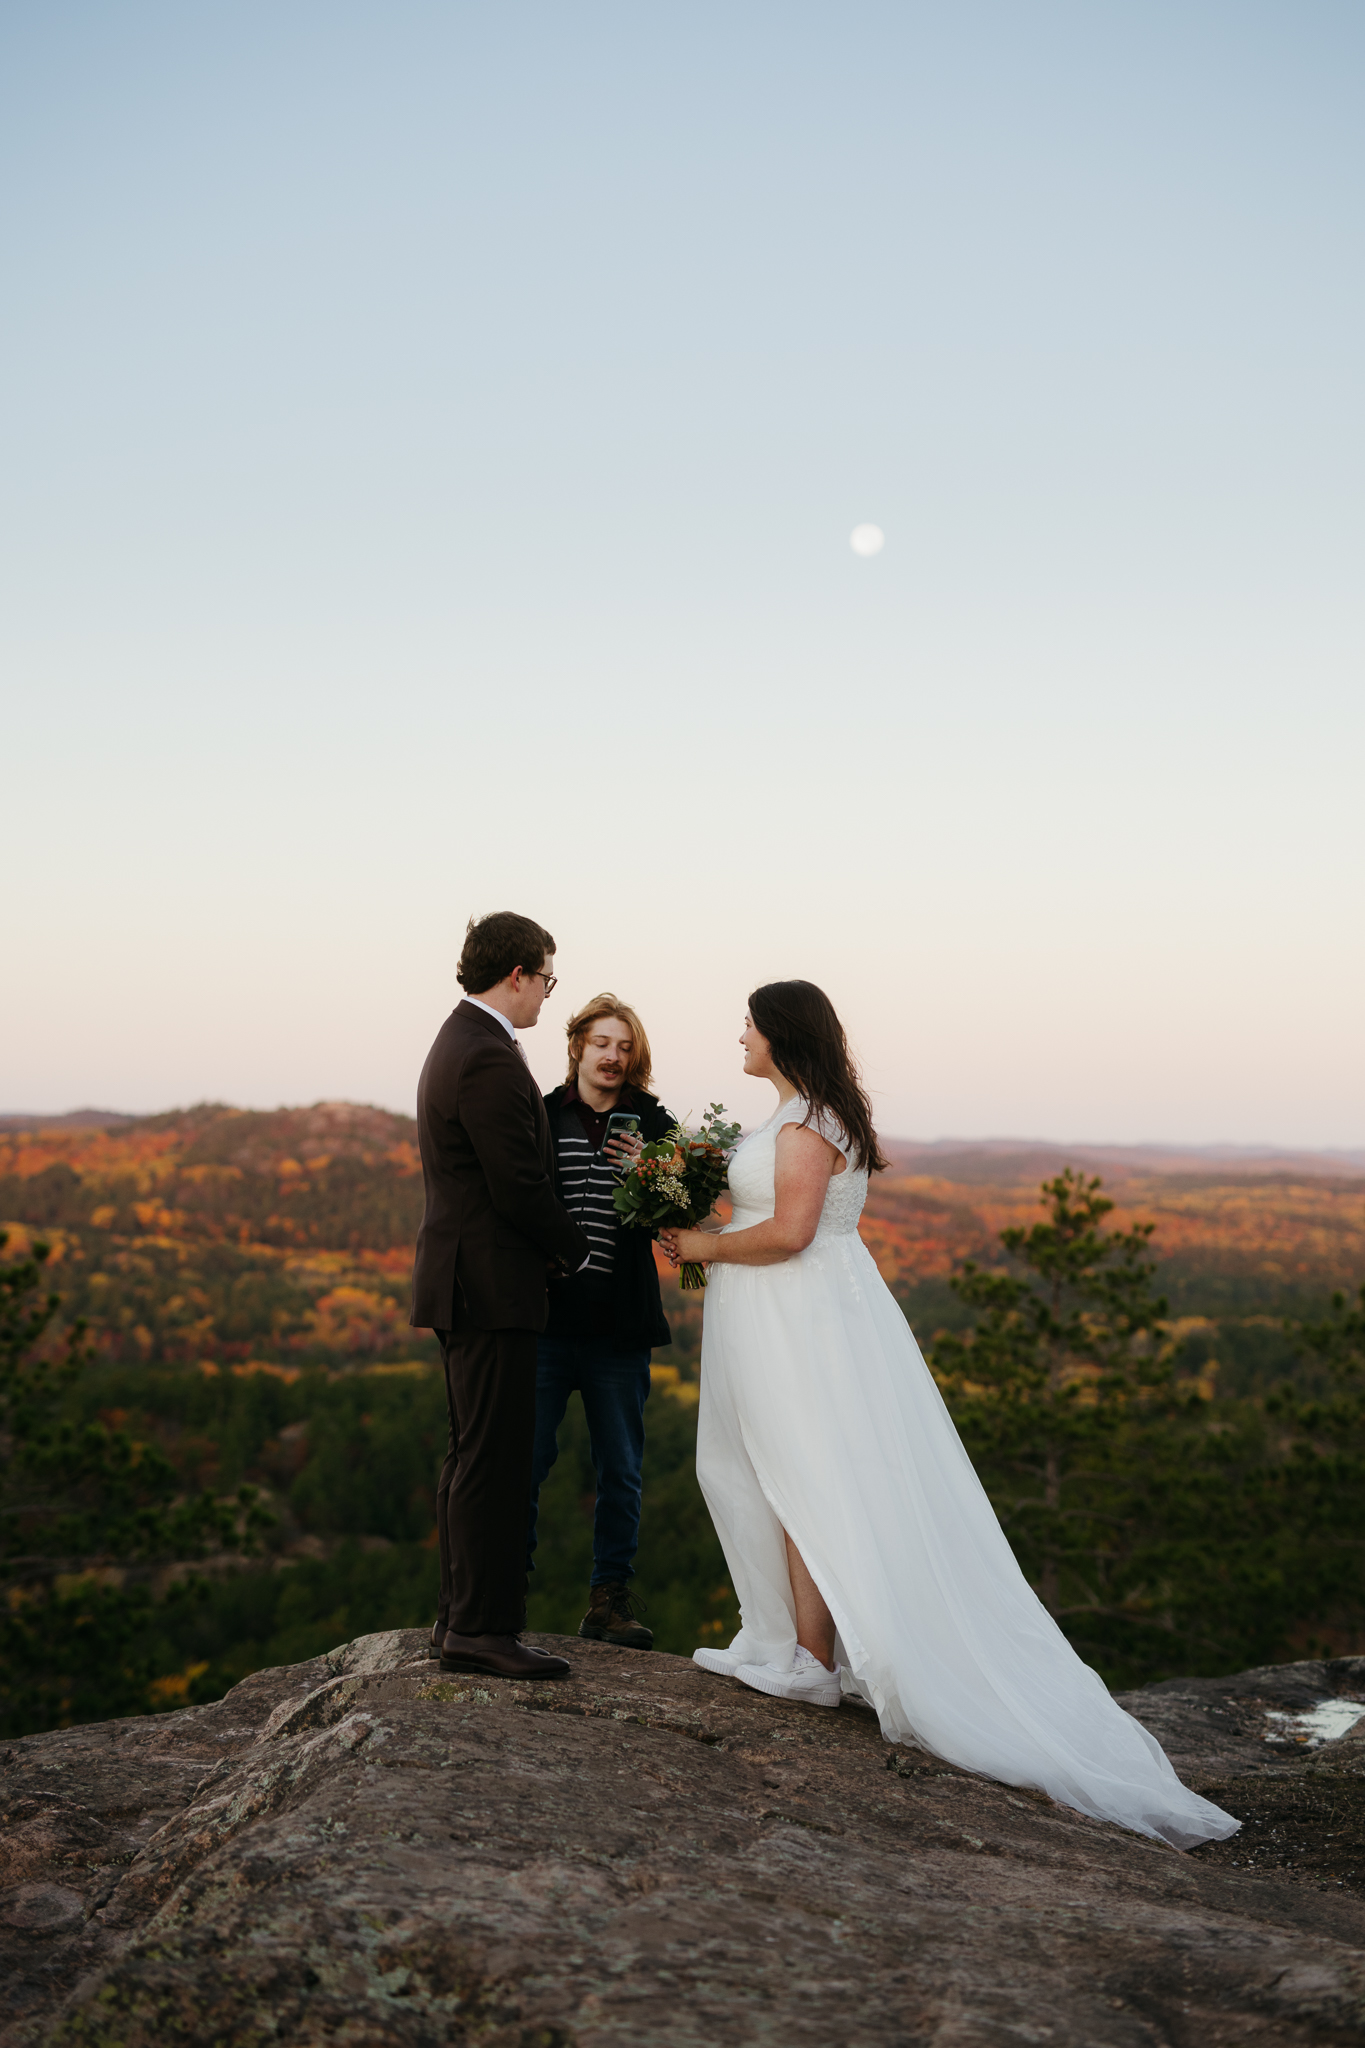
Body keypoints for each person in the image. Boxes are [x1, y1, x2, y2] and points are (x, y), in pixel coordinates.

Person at [659, 981, 1239, 1851]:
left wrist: (698, 1245)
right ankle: (792, 1644)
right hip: (773, 1318)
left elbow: (790, 1233)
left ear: (781, 1033)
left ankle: (812, 1662)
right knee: (756, 1472)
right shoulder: (796, 1114)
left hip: (798, 1320)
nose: (737, 1035)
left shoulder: (808, 1122)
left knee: (800, 1478)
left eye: (747, 1022)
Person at [410, 911, 590, 1681]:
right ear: (516, 973)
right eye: (547, 979)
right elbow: (515, 1183)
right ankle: (481, 1629)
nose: (548, 996)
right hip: (487, 1285)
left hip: (471, 1283)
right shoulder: (482, 1053)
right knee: (492, 1458)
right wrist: (576, 1249)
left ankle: (461, 1619)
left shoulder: (467, 1040)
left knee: (471, 1454)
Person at [529, 995, 675, 1649]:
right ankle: (503, 1595)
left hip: (619, 1329)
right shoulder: (541, 1116)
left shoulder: (650, 1121)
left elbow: (681, 1201)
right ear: (577, 1048)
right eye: (602, 1044)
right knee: (525, 1462)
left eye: (624, 1046)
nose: (613, 1056)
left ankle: (607, 1605)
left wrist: (653, 1175)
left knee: (621, 1470)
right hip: (546, 1329)